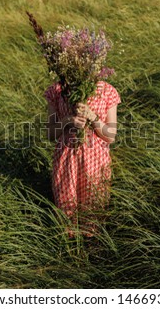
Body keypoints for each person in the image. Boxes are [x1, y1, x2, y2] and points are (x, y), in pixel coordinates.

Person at [44, 80, 121, 238]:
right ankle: (69, 251)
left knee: (93, 211)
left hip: (96, 160)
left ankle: (93, 250)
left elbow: (111, 136)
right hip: (66, 160)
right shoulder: (57, 90)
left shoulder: (107, 90)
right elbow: (50, 134)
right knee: (67, 209)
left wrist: (93, 117)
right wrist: (67, 121)